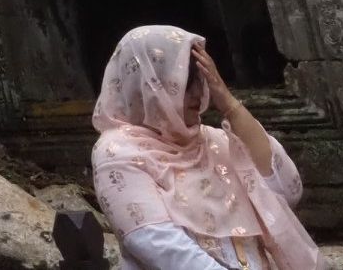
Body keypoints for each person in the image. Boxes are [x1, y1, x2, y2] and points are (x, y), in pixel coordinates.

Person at [91, 25, 322, 270]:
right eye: (180, 83)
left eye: (199, 81)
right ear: (148, 85)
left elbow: (285, 190)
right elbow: (154, 240)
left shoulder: (215, 141)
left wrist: (230, 104)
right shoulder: (117, 151)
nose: (196, 94)